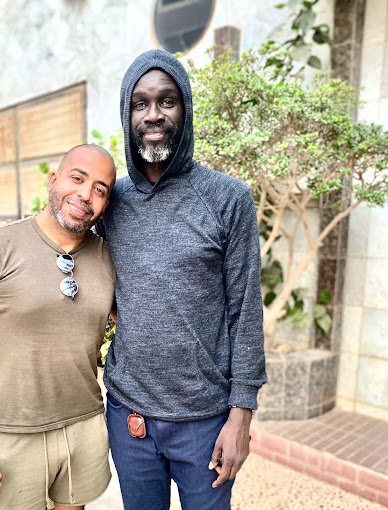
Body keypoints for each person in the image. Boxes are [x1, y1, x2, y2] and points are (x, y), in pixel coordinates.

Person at [96, 49, 267, 509]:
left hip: (205, 421)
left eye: (166, 101)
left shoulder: (228, 198)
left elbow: (245, 309)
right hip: (130, 417)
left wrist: (242, 414)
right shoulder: (112, 202)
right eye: (140, 103)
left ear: (185, 109)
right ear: (127, 114)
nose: (153, 115)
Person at [0, 144, 117, 510]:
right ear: (53, 180)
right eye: (77, 178)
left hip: (85, 424)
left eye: (99, 189)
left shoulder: (108, 258)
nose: (86, 194)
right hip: (12, 433)